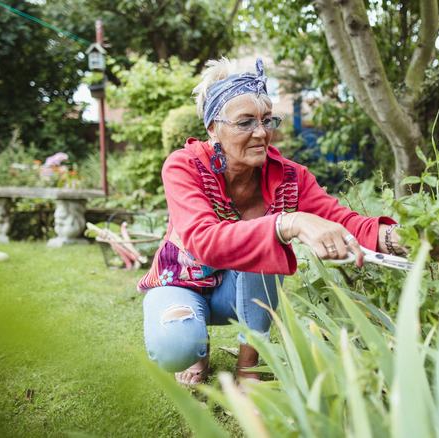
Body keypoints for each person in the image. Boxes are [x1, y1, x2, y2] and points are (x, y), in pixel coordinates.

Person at [138, 57, 404, 386]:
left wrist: (395, 237)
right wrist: (287, 223)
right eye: (245, 122)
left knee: (265, 250)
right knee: (178, 347)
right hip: (179, 284)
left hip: (235, 294)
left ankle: (249, 369)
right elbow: (204, 241)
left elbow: (340, 219)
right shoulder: (184, 166)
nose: (262, 133)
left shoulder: (289, 176)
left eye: (267, 120)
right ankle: (196, 346)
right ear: (213, 128)